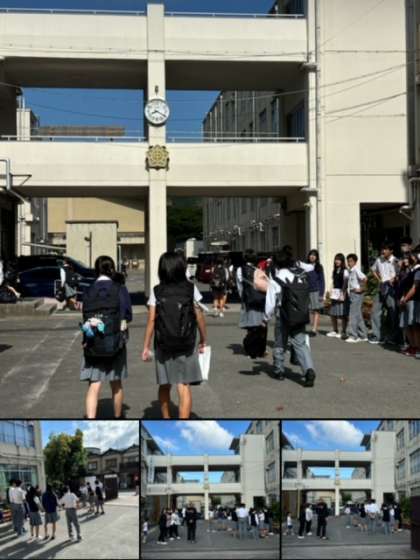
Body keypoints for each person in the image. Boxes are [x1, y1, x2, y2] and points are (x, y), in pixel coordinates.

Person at [142, 252, 207, 419]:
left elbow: (151, 320)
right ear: (181, 268)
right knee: (184, 385)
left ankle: (166, 419)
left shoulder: (157, 291)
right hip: (186, 343)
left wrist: (146, 346)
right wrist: (203, 339)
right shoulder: (191, 288)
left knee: (165, 384)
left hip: (163, 343)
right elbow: (199, 316)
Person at [81, 255, 132, 419]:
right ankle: (118, 417)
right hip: (115, 342)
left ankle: (90, 418)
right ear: (112, 269)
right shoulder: (119, 289)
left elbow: (85, 316)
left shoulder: (89, 289)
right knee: (116, 384)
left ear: (96, 270)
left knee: (94, 384)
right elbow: (128, 315)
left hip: (93, 343)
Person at [265, 249, 316, 386]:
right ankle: (308, 369)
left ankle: (279, 370)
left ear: (276, 263)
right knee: (300, 343)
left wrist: (266, 317)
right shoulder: (299, 275)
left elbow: (270, 303)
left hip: (283, 315)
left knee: (280, 342)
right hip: (300, 314)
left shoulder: (276, 279)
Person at [236, 249, 268, 359]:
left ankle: (251, 351)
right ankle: (261, 350)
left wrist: (243, 298)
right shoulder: (258, 269)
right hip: (261, 300)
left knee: (251, 326)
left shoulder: (240, 269)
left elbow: (240, 286)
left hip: (249, 300)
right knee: (262, 325)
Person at [369, 243, 400, 345]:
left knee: (393, 313)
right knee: (375, 312)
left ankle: (394, 337)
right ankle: (377, 336)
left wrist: (393, 279)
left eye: (386, 249)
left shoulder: (396, 261)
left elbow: (400, 274)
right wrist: (379, 279)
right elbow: (373, 269)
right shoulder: (379, 259)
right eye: (382, 249)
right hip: (381, 288)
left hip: (392, 290)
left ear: (391, 251)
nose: (383, 251)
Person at [399, 248, 420, 359]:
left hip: (413, 300)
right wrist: (403, 297)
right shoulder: (410, 270)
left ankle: (416, 347)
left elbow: (414, 287)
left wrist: (405, 298)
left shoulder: (417, 270)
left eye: (411, 257)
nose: (407, 259)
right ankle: (412, 346)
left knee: (413, 325)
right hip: (407, 299)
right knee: (406, 324)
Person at [345, 254, 369, 343]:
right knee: (357, 314)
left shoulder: (356, 270)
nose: (349, 263)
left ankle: (353, 336)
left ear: (355, 262)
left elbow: (365, 278)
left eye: (351, 261)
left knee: (353, 314)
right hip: (353, 293)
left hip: (356, 293)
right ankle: (363, 335)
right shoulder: (350, 271)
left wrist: (362, 288)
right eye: (348, 261)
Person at [327, 253, 349, 339]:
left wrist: (343, 293)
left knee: (343, 314)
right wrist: (330, 291)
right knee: (333, 313)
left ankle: (343, 331)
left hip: (342, 293)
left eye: (339, 259)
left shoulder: (345, 271)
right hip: (335, 293)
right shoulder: (335, 270)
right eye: (336, 259)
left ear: (342, 261)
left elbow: (345, 283)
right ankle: (335, 330)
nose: (337, 261)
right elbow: (333, 282)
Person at [307, 250, 325, 336]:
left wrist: (321, 294)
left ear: (317, 257)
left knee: (316, 310)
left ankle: (314, 329)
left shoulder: (319, 267)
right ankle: (307, 327)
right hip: (307, 291)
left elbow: (322, 281)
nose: (312, 256)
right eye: (311, 255)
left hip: (316, 291)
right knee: (308, 310)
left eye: (314, 255)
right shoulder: (306, 266)